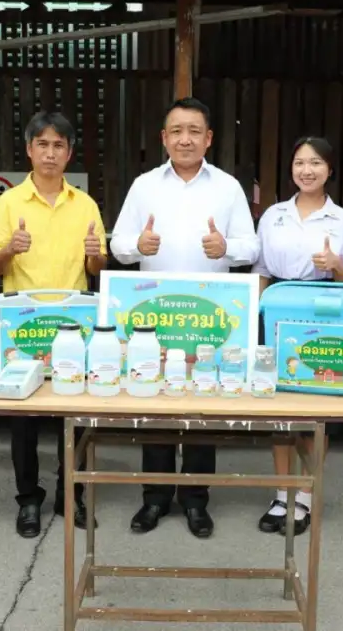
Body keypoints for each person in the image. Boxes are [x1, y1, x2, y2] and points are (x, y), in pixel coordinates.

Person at [109, 97, 260, 539]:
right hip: (154, 316)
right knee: (156, 402)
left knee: (201, 403)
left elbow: (251, 247)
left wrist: (226, 248)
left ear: (208, 138)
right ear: (164, 138)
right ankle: (155, 498)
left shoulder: (228, 187)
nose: (185, 139)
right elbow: (118, 244)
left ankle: (196, 500)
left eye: (194, 131)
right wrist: (138, 246)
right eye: (176, 131)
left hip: (208, 319)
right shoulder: (144, 186)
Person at [0, 111, 107, 539]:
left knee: (75, 414)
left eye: (58, 146)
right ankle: (28, 500)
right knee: (24, 418)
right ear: (29, 150)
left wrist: (95, 254)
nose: (50, 153)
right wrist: (10, 249)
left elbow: (97, 267)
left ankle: (71, 494)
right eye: (43, 145)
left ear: (69, 153)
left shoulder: (85, 204)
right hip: (24, 325)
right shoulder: (9, 203)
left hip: (75, 324)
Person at [251, 136, 343, 536]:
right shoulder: (273, 215)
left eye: (315, 163)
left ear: (329, 170)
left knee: (316, 408)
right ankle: (282, 493)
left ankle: (306, 495)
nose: (306, 170)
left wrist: (336, 265)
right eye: (299, 162)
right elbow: (261, 270)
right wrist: (255, 320)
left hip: (322, 310)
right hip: (276, 309)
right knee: (279, 406)